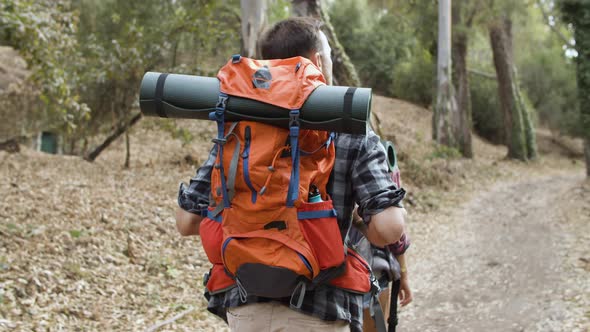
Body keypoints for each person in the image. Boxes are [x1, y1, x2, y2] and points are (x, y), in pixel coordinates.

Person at [175, 17, 407, 332]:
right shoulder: (348, 127)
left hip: (243, 307)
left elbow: (186, 222)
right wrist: (363, 230)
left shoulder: (238, 127)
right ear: (317, 61)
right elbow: (391, 227)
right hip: (319, 311)